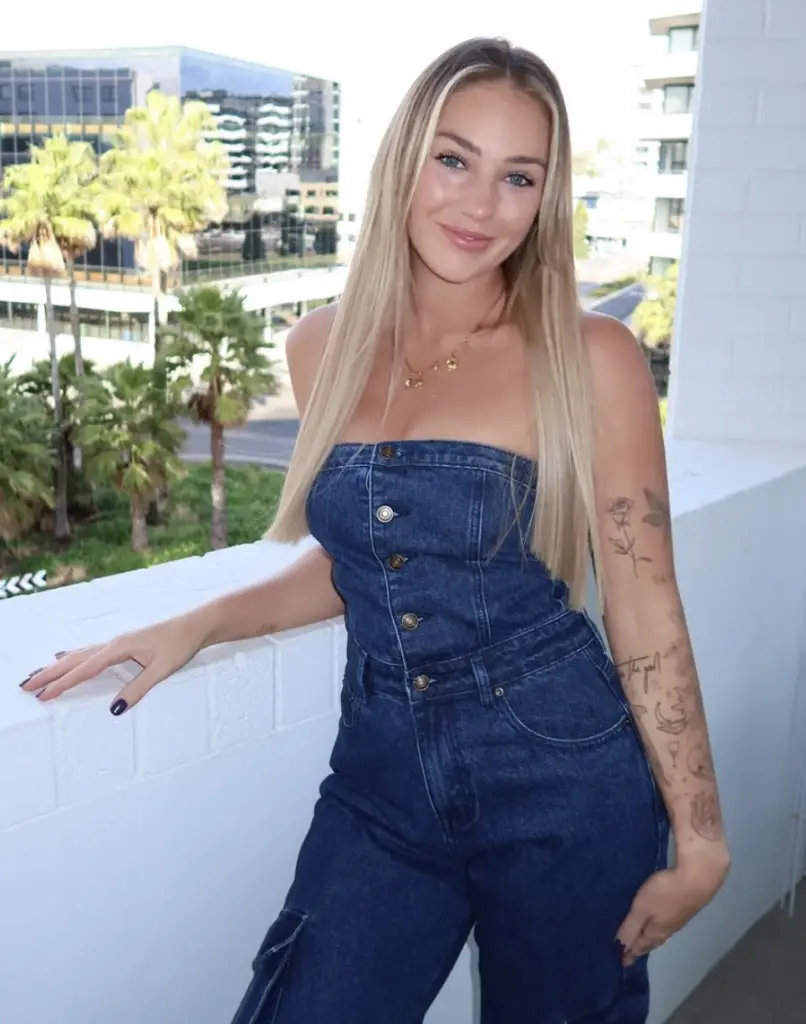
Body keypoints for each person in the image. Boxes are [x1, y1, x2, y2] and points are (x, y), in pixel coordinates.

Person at [20, 37, 730, 1024]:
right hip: (381, 777)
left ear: (544, 197)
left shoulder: (588, 354)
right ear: (404, 157)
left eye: (517, 176)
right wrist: (200, 622)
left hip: (563, 774)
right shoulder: (323, 343)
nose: (480, 205)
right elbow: (368, 567)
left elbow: (644, 605)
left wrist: (701, 838)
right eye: (454, 159)